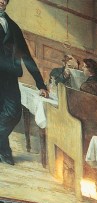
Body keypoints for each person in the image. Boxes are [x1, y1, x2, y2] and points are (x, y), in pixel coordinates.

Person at [0, 0, 48, 165]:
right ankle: (5, 151)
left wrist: (40, 84)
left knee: (14, 114)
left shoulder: (13, 26)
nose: (1, 1)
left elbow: (26, 57)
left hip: (10, 77)